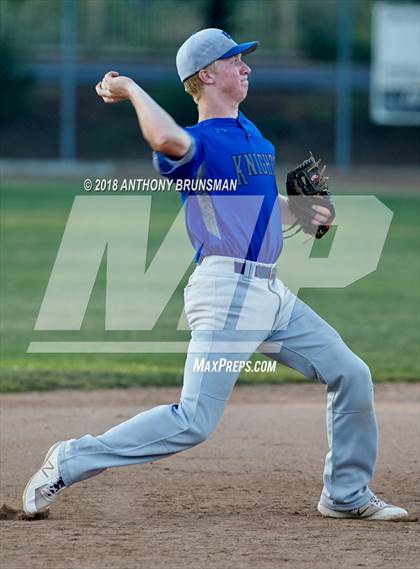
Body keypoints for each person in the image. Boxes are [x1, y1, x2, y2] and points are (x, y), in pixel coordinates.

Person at [23, 29, 408, 521]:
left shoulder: (252, 136)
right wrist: (132, 90)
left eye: (244, 59)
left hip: (271, 293)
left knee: (351, 374)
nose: (246, 66)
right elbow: (164, 137)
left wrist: (308, 212)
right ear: (206, 75)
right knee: (193, 421)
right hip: (227, 292)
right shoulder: (197, 146)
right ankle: (69, 459)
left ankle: (346, 494)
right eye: (234, 60)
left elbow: (264, 209)